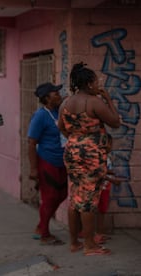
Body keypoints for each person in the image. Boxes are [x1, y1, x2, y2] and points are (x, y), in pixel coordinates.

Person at [58, 62, 120, 256]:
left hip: (72, 150)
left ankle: (74, 242)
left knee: (75, 196)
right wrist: (108, 98)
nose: (98, 84)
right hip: (91, 154)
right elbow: (115, 122)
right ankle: (90, 245)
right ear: (90, 83)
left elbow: (61, 127)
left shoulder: (66, 103)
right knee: (89, 200)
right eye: (96, 81)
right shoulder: (94, 102)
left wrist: (76, 140)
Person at [27, 82, 68, 245]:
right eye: (55, 93)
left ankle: (40, 225)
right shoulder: (40, 116)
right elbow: (31, 142)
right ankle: (44, 233)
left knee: (62, 194)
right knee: (50, 197)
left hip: (62, 161)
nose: (58, 95)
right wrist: (33, 168)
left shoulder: (59, 112)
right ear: (46, 98)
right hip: (47, 160)